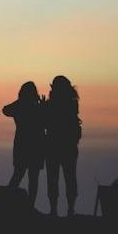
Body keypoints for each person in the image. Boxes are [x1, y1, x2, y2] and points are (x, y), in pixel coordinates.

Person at [2, 81, 46, 208]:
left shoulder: (20, 106)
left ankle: (8, 201)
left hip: (22, 143)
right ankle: (30, 205)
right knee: (33, 177)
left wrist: (20, 102)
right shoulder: (37, 107)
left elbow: (6, 110)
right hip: (36, 144)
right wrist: (41, 106)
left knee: (19, 173)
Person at [44, 76, 81, 217]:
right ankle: (70, 210)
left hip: (54, 145)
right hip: (69, 145)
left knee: (53, 178)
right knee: (70, 177)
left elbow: (46, 121)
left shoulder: (52, 104)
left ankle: (54, 210)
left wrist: (43, 106)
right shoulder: (72, 103)